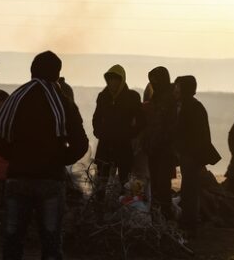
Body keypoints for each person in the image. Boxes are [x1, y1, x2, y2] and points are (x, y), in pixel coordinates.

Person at [0, 51, 89, 260]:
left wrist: (15, 157)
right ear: (57, 73)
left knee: (12, 240)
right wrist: (58, 160)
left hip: (18, 177)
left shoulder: (16, 97)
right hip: (51, 180)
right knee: (51, 241)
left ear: (32, 70)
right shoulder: (63, 102)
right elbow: (81, 143)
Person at [172, 76, 221, 237]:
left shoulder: (192, 107)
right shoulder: (188, 106)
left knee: (190, 188)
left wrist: (186, 151)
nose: (175, 90)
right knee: (188, 187)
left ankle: (190, 222)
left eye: (178, 87)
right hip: (189, 154)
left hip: (191, 154)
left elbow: (196, 135)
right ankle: (190, 220)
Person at [92, 64, 143, 196]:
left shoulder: (132, 98)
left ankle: (123, 205)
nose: (112, 82)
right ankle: (99, 206)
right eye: (109, 79)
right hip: (105, 144)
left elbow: (141, 120)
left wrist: (130, 134)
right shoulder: (103, 97)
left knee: (124, 179)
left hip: (123, 145)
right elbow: (96, 117)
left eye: (115, 79)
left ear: (121, 80)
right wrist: (99, 132)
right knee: (102, 178)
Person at [140, 67, 177, 219]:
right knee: (156, 183)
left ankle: (165, 215)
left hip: (165, 149)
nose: (153, 84)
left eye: (155, 81)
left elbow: (167, 127)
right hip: (154, 148)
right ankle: (157, 215)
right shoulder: (158, 98)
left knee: (163, 185)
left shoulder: (170, 100)